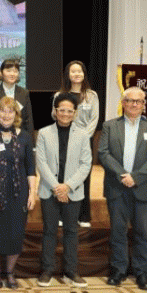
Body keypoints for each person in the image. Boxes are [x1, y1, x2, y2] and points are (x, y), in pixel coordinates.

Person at [99, 86, 147, 290]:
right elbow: (103, 153)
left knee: (143, 233)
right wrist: (122, 175)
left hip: (143, 187)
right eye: (130, 100)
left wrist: (135, 177)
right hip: (117, 187)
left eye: (139, 101)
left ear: (144, 105)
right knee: (118, 232)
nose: (134, 104)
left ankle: (142, 273)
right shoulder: (110, 126)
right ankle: (118, 270)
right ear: (123, 103)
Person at [0, 96, 36, 289]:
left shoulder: (25, 136)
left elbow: (30, 168)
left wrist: (32, 193)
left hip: (18, 196)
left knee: (15, 234)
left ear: (16, 115)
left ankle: (10, 273)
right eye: (2, 110)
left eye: (10, 111)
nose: (6, 115)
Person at [35, 92, 92, 288]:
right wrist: (56, 187)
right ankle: (47, 270)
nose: (65, 114)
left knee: (71, 231)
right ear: (55, 111)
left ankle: (71, 271)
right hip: (49, 190)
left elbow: (86, 164)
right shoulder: (44, 133)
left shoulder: (83, 135)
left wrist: (67, 186)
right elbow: (41, 162)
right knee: (49, 231)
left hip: (72, 192)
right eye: (62, 110)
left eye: (69, 111)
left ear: (75, 113)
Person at [52, 60, 99, 227]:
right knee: (63, 176)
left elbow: (94, 119)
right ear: (68, 75)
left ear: (84, 74)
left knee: (83, 177)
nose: (77, 74)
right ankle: (61, 214)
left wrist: (82, 138)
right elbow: (54, 115)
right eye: (73, 71)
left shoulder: (91, 95)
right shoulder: (60, 95)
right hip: (63, 139)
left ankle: (83, 216)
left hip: (84, 141)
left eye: (80, 71)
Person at [0, 58, 34, 139]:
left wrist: (31, 141)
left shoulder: (24, 93)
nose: (12, 74)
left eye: (15, 71)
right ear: (1, 73)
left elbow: (28, 120)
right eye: (8, 71)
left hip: (19, 137)